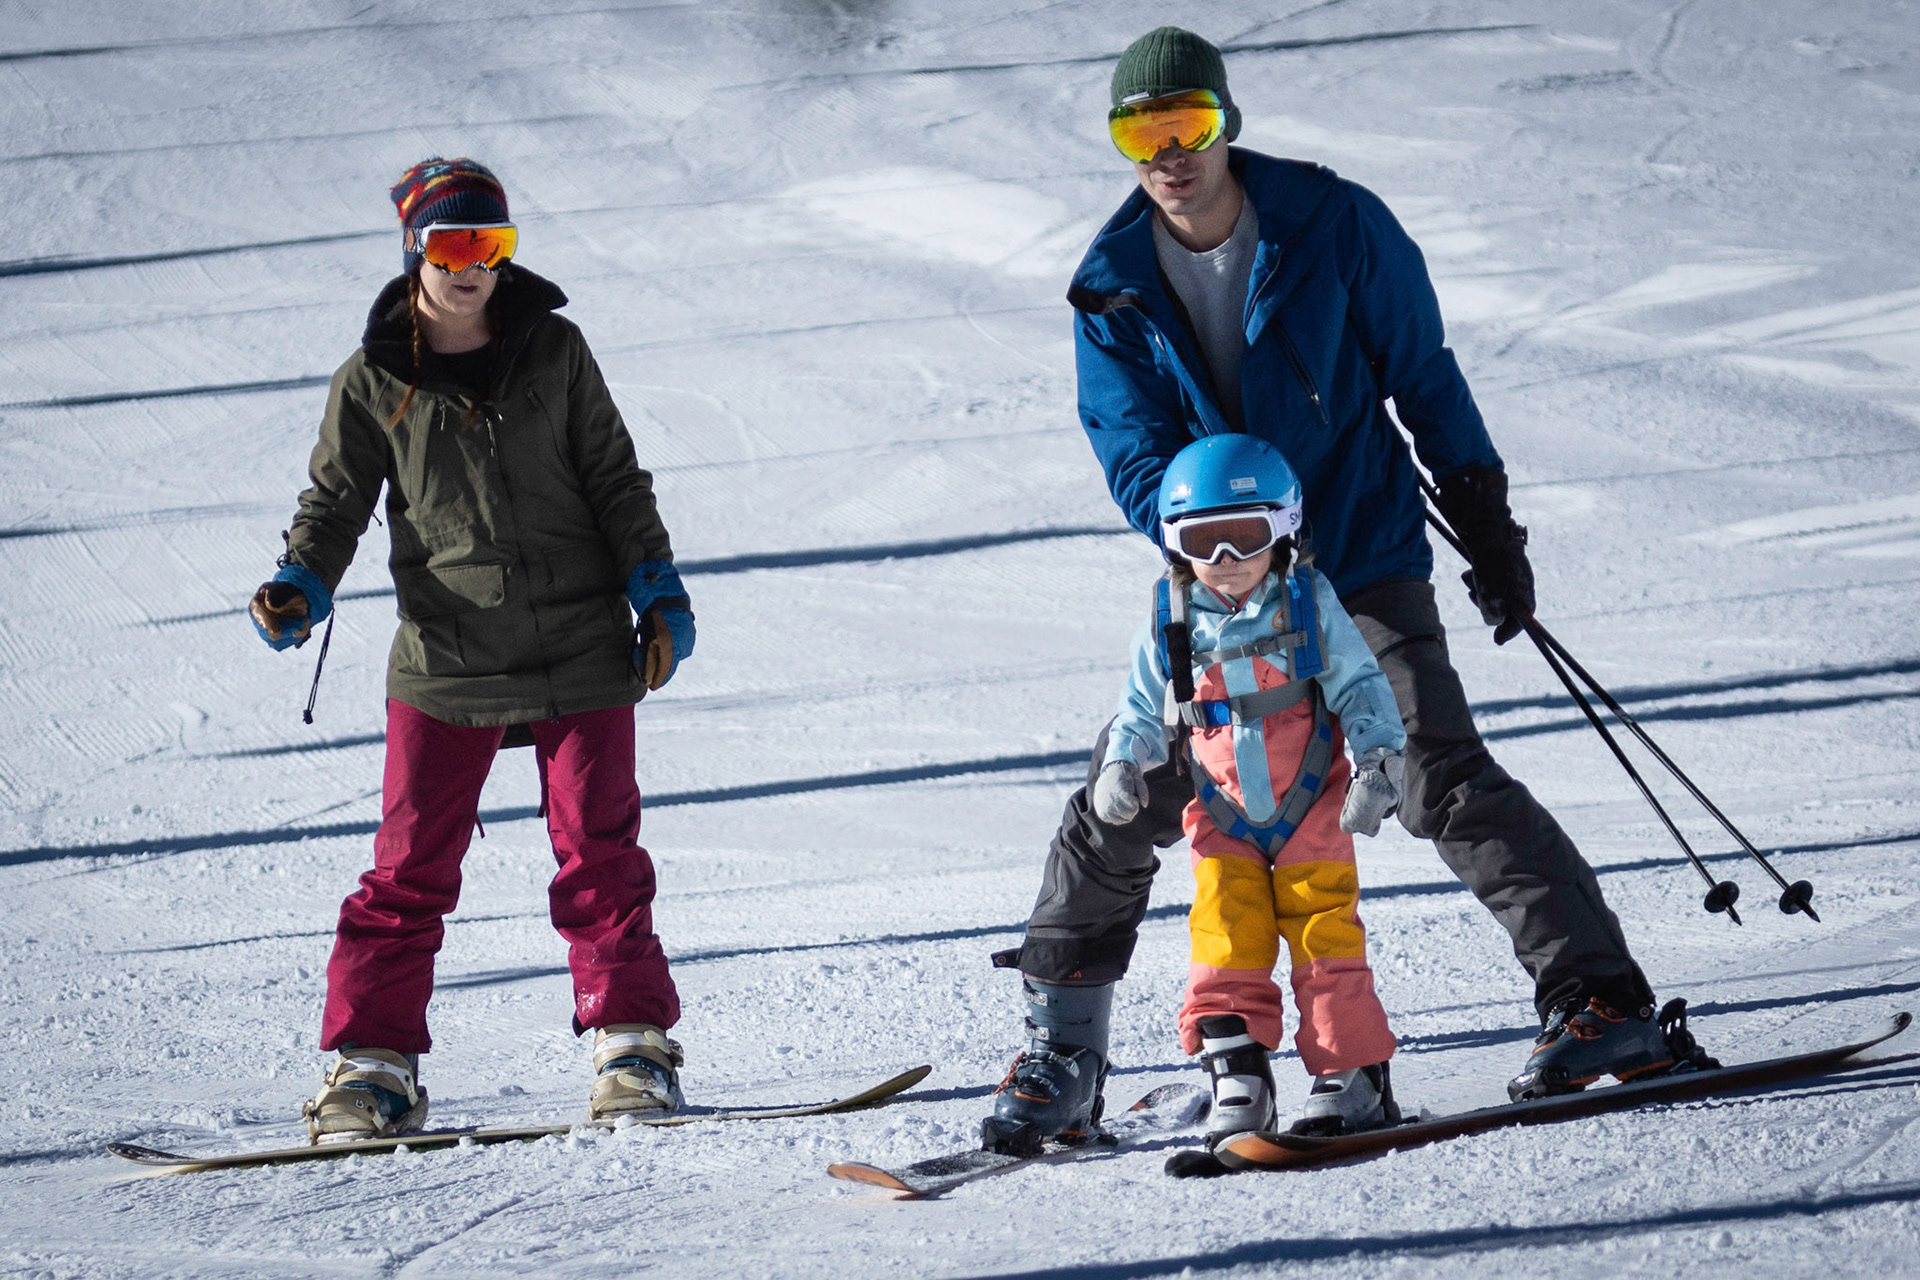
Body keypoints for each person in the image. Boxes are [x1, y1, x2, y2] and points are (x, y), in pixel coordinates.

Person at [986, 27, 1688, 1148]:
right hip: (1225, 579)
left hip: (1360, 549)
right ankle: (1064, 1051)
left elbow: (1422, 372)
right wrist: (1227, 541)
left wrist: (1485, 520)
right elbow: (1130, 458)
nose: (1170, 153)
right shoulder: (1110, 289)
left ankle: (1599, 1000)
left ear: (1227, 122)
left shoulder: (1332, 221)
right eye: (1141, 130)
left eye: (1189, 124)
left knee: (1432, 768)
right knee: (1127, 784)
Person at [247, 157, 697, 1142]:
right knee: (408, 868)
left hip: (580, 640)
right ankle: (373, 1064)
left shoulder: (557, 351)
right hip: (447, 655)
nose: (470, 265)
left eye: (489, 246)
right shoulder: (372, 381)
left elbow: (616, 479)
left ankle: (631, 1044)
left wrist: (654, 587)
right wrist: (303, 582)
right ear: (416, 250)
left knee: (601, 858)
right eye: (450, 245)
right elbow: (334, 505)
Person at [986, 435, 1407, 1155]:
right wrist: (1123, 764)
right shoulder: (1174, 618)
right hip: (1223, 811)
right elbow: (1142, 708)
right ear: (1176, 546)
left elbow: (1361, 683)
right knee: (1223, 939)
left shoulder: (1308, 604)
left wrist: (1379, 759)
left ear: (1283, 530)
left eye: (1245, 538)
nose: (1225, 562)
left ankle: (1351, 1072)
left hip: (1310, 806)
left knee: (1322, 934)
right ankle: (1238, 1073)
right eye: (1202, 542)